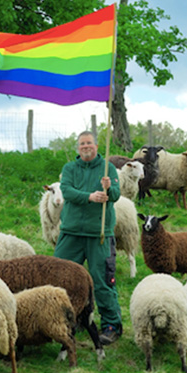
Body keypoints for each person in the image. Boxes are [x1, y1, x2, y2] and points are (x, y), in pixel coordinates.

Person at [53, 131, 123, 345]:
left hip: (98, 233)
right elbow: (67, 191)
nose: (85, 147)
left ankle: (111, 325)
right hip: (71, 232)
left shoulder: (107, 168)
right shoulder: (69, 169)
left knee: (102, 280)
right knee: (60, 278)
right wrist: (90, 197)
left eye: (89, 143)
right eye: (82, 144)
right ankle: (64, 321)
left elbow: (117, 195)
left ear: (96, 145)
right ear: (78, 147)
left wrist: (109, 189)